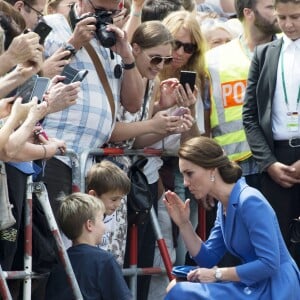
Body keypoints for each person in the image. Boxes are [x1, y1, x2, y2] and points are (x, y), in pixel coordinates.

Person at [163, 136, 300, 300]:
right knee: (176, 286)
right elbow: (208, 258)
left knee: (179, 292)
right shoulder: (225, 204)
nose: (185, 183)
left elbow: (269, 263)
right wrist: (184, 224)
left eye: (189, 173)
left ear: (212, 169)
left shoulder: (249, 200)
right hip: (254, 284)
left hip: (275, 289)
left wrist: (218, 274)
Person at [243, 0, 300, 267]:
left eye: (296, 17)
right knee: (277, 248)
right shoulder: (264, 54)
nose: (288, 25)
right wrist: (268, 163)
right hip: (276, 160)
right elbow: (250, 116)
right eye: (282, 18)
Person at [45, 192, 132, 300]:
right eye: (101, 220)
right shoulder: (104, 261)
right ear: (89, 225)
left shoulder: (60, 262)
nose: (105, 227)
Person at [86, 159, 131, 266]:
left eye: (121, 199)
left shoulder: (109, 213)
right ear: (93, 195)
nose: (118, 204)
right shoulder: (84, 218)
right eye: (114, 199)